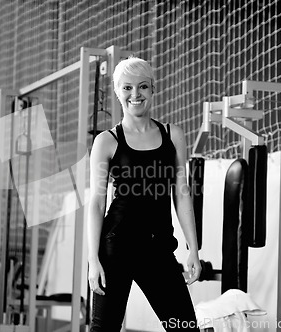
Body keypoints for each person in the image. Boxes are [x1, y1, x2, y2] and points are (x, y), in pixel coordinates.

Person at [87, 56, 201, 331]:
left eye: (142, 87)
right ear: (117, 92)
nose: (135, 95)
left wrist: (193, 249)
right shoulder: (106, 141)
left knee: (185, 328)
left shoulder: (173, 134)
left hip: (158, 248)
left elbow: (182, 193)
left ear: (153, 89)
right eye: (127, 88)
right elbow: (96, 202)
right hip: (116, 248)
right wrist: (93, 259)